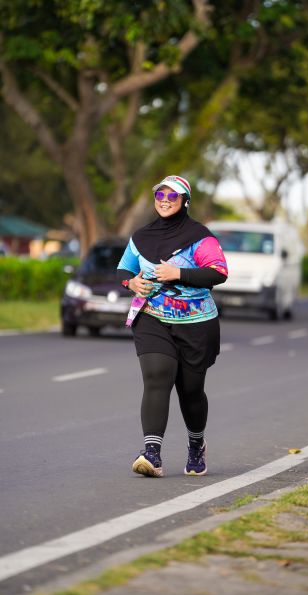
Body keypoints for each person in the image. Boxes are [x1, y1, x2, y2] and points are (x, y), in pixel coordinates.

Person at [117, 175, 228, 478]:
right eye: (160, 196)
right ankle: (152, 454)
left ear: (185, 201)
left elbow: (218, 273)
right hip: (152, 317)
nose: (165, 201)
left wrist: (178, 273)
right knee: (157, 376)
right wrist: (131, 282)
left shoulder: (200, 237)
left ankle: (196, 444)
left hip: (196, 323)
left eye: (172, 196)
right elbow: (124, 268)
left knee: (191, 391)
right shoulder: (141, 237)